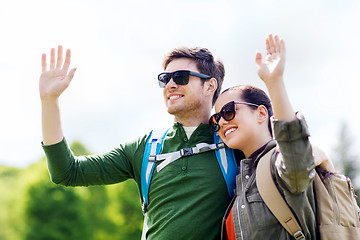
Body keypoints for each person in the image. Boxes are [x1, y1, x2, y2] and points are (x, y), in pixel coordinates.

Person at [39, 45, 231, 239]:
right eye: (165, 79)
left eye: (181, 77)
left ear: (210, 86)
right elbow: (67, 172)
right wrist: (49, 100)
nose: (170, 85)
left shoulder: (234, 145)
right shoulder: (145, 147)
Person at [209, 34, 317, 239]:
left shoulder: (279, 164)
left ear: (260, 113)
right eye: (216, 119)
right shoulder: (240, 184)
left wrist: (274, 82)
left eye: (229, 111)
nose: (222, 122)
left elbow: (295, 154)